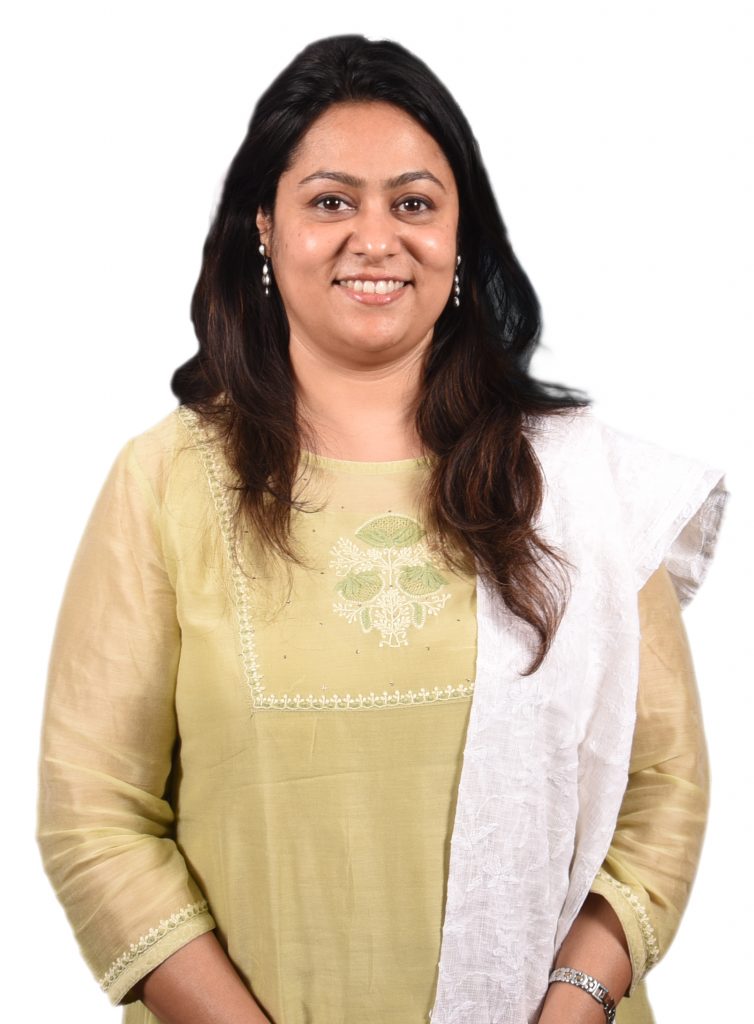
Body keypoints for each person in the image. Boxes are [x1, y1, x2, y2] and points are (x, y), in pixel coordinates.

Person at [38, 34, 726, 1024]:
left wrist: (575, 1001)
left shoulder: (579, 483)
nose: (375, 238)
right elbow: (92, 813)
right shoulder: (166, 482)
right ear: (264, 227)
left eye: (413, 203)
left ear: (460, 235)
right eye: (330, 202)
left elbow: (663, 786)